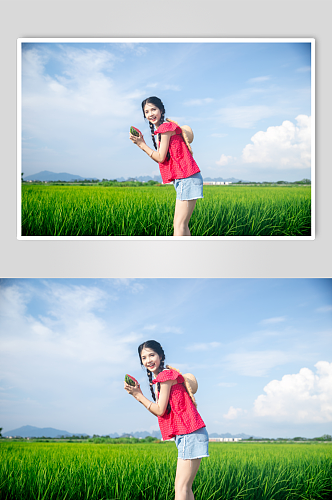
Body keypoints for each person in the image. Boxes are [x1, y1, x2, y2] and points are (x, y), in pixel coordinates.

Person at [124, 340, 209, 500]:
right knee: (185, 488)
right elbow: (161, 412)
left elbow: (159, 409)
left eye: (151, 355)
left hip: (189, 434)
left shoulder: (166, 377)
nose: (148, 360)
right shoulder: (162, 380)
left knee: (181, 489)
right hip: (189, 434)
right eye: (144, 358)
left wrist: (137, 395)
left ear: (161, 356)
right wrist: (139, 393)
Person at [129, 97, 203, 236]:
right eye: (146, 111)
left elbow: (160, 157)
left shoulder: (165, 128)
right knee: (182, 225)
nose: (150, 113)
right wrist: (143, 143)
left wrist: (141, 145)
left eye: (153, 109)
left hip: (186, 177)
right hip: (185, 178)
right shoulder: (163, 130)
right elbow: (162, 159)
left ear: (161, 110)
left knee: (179, 225)